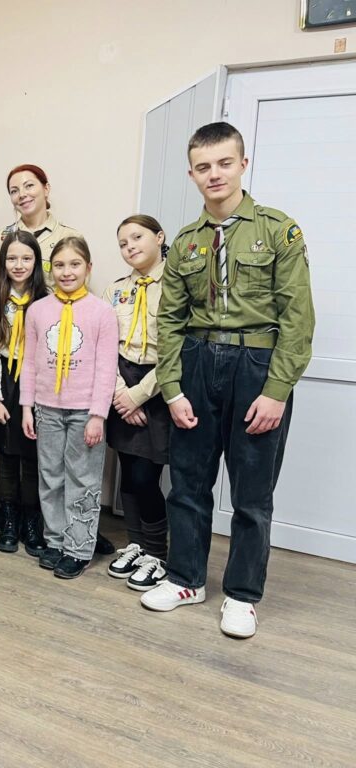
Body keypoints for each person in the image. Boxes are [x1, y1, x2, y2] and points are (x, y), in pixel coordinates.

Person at [141, 122, 315, 638]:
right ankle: (186, 579)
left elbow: (298, 319)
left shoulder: (279, 231)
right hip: (197, 363)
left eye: (223, 163)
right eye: (203, 167)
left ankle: (241, 594)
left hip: (257, 366)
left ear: (242, 164)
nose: (213, 174)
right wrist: (172, 388)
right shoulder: (186, 243)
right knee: (188, 483)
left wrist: (277, 391)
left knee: (252, 494)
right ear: (191, 174)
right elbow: (169, 321)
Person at [20, 237, 119, 579]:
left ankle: (78, 548)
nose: (67, 272)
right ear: (50, 269)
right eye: (59, 265)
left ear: (88, 268)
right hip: (46, 409)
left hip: (84, 412)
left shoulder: (102, 312)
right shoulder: (38, 310)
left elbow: (106, 369)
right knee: (50, 477)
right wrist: (26, 407)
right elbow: (29, 363)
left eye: (75, 264)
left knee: (82, 479)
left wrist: (97, 415)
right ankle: (55, 539)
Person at [103, 215, 172, 591]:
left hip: (158, 386)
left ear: (159, 237)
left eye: (137, 237)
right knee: (128, 473)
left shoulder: (176, 284)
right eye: (122, 243)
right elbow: (104, 345)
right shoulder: (115, 290)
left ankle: (157, 554)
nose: (129, 247)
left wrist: (138, 395)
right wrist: (120, 394)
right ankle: (136, 544)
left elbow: (177, 351)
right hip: (121, 384)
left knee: (147, 476)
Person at [0, 230, 48, 554]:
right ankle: (9, 517)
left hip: (39, 381)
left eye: (26, 258)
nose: (18, 265)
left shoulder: (47, 299)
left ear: (36, 261)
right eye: (11, 258)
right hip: (6, 379)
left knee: (33, 456)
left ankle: (31, 520)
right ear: (2, 262)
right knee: (7, 454)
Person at [0, 164, 81, 288]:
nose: (22, 194)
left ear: (46, 189)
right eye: (14, 191)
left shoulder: (70, 238)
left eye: (29, 186)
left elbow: (79, 289)